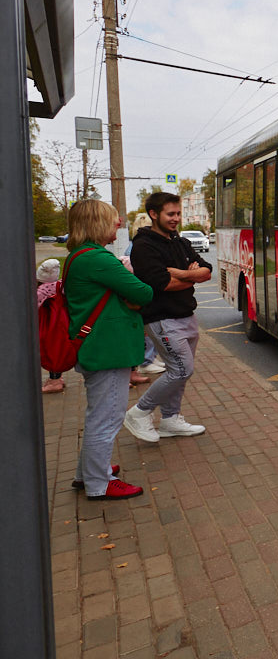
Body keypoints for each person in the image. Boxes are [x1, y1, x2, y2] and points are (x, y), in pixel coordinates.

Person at [63, 200, 154, 500]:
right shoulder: (97, 259)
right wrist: (128, 295)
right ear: (97, 223)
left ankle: (86, 473)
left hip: (99, 348)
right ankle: (99, 483)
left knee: (98, 416)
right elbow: (143, 291)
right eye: (114, 219)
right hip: (105, 349)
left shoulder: (80, 256)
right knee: (107, 418)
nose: (118, 224)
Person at [126, 192, 212, 442]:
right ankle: (139, 412)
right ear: (154, 214)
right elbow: (161, 284)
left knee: (180, 371)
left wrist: (180, 274)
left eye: (178, 214)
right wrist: (190, 275)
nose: (176, 219)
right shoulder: (143, 246)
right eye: (170, 214)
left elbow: (207, 270)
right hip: (161, 318)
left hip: (186, 315)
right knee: (181, 369)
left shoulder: (180, 242)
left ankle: (170, 419)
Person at [125, 212, 165, 376]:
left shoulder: (134, 245)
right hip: (144, 294)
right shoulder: (140, 247)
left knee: (150, 328)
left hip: (143, 292)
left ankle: (150, 358)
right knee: (148, 328)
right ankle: (146, 361)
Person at [36, 258, 66, 394]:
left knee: (51, 352)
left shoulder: (41, 290)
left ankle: (55, 381)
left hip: (47, 325)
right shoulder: (60, 286)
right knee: (57, 350)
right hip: (60, 323)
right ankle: (56, 378)